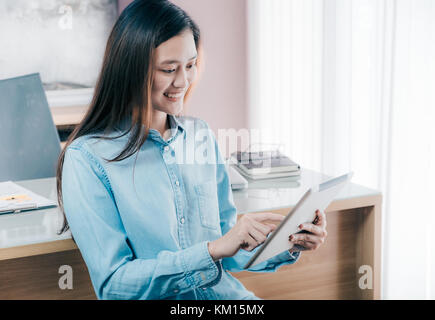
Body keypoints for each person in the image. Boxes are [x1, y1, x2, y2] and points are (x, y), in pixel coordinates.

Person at [56, 0, 327, 300]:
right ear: (130, 70)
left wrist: (287, 243)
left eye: (190, 65)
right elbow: (114, 285)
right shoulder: (87, 159)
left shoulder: (199, 136)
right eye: (169, 69)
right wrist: (212, 250)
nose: (183, 81)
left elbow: (229, 251)